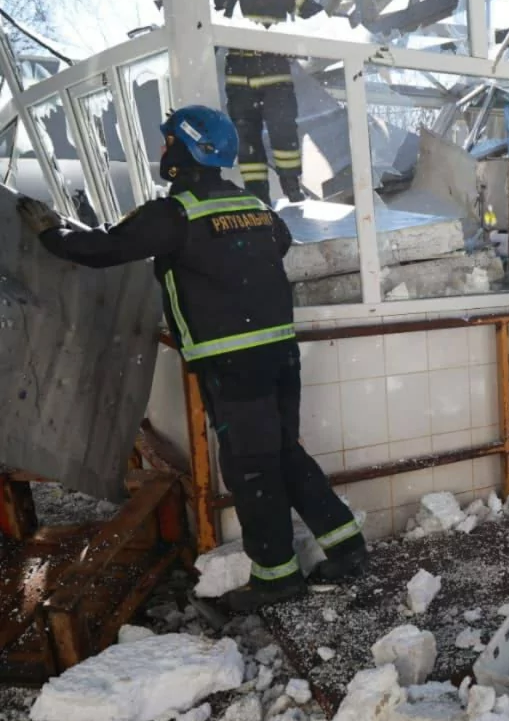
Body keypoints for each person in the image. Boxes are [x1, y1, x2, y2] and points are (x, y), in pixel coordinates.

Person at [14, 105, 368, 612]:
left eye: (167, 142)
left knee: (252, 470)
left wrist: (51, 232)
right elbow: (279, 243)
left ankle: (277, 579)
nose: (163, 151)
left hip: (232, 364)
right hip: (278, 353)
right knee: (284, 451)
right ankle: (346, 545)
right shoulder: (253, 204)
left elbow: (101, 251)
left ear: (185, 150)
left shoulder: (174, 212)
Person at [213, 0, 326, 205]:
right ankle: (257, 196)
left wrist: (294, 39)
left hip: (275, 75)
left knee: (283, 130)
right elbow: (203, 30)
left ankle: (291, 186)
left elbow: (317, 16)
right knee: (246, 139)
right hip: (239, 79)